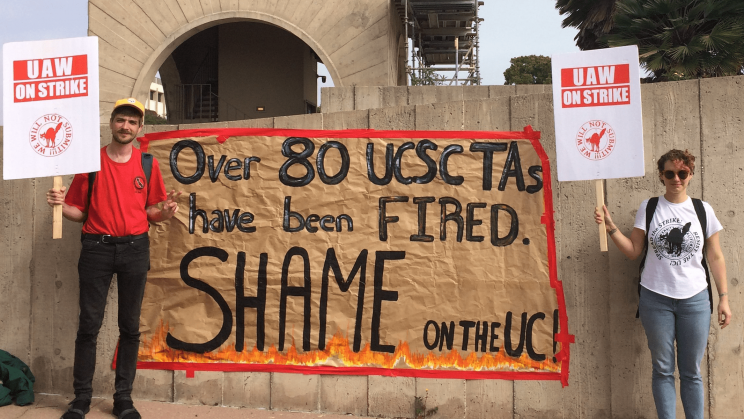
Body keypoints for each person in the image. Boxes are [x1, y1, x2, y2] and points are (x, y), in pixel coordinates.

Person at [46, 98, 181, 419]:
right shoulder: (90, 163)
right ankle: (81, 399)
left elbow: (151, 211)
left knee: (130, 327)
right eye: (121, 120)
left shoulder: (147, 164)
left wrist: (164, 212)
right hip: (96, 248)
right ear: (111, 123)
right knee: (89, 326)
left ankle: (123, 399)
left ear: (140, 128)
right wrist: (58, 204)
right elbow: (78, 212)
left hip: (135, 249)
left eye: (132, 122)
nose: (126, 126)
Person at [594, 149, 731, 419]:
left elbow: (715, 255)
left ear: (690, 175)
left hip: (695, 299)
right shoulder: (650, 207)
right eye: (670, 173)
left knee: (691, 371)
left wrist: (724, 297)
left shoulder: (703, 210)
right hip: (655, 299)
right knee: (663, 368)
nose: (676, 179)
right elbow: (634, 251)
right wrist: (610, 228)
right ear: (661, 175)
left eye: (682, 173)